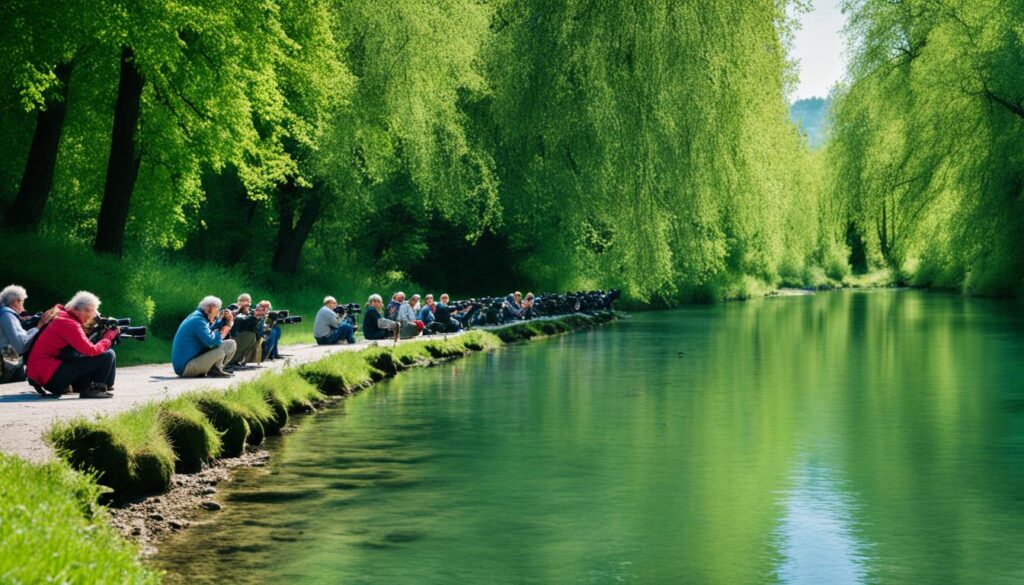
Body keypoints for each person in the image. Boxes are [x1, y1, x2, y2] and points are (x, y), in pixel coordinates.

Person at [25, 291, 118, 398]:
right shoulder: (69, 323)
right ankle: (95, 390)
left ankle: (100, 386)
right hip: (50, 377)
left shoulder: (62, 316)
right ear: (78, 309)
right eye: (89, 312)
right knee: (108, 355)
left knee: (107, 354)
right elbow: (91, 350)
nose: (90, 316)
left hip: (45, 375)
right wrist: (108, 337)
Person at [0, 285, 57, 383]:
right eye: (22, 302)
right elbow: (21, 345)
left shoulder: (4, 312)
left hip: (7, 352)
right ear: (15, 301)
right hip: (8, 353)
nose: (23, 306)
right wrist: (39, 326)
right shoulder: (7, 315)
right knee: (15, 382)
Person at [172, 296, 237, 378]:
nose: (218, 313)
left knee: (231, 344)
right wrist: (228, 326)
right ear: (210, 308)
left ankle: (215, 370)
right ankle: (214, 370)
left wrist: (221, 321)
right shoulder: (198, 320)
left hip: (191, 360)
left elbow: (209, 329)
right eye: (218, 310)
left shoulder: (198, 316)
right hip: (186, 367)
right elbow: (212, 343)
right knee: (219, 352)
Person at [227, 293, 266, 366]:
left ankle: (268, 355)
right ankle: (232, 360)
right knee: (250, 336)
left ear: (250, 302)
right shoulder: (233, 308)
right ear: (238, 301)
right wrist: (253, 316)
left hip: (244, 337)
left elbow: (253, 326)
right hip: (233, 336)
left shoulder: (251, 311)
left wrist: (259, 318)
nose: (244, 302)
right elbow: (239, 322)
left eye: (247, 300)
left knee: (271, 331)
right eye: (242, 300)